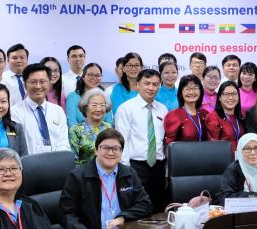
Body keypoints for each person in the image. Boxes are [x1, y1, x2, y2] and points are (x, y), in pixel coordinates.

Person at [58, 128, 153, 229]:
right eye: (105, 148)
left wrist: (122, 218)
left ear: (121, 152)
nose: (111, 152)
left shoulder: (129, 173)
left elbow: (145, 205)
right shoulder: (78, 176)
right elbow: (66, 213)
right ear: (96, 150)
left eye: (116, 148)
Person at [114, 69, 167, 211]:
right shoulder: (126, 108)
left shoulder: (162, 109)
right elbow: (121, 140)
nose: (151, 88)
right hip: (135, 166)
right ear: (138, 85)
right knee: (137, 208)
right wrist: (125, 169)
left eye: (155, 84)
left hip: (158, 166)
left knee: (157, 208)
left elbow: (163, 140)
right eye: (147, 83)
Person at [10, 63, 70, 154]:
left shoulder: (58, 111)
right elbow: (16, 145)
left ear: (49, 83)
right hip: (27, 164)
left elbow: (63, 142)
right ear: (25, 84)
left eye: (42, 82)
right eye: (33, 82)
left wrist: (58, 161)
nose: (38, 86)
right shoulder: (15, 112)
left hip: (56, 164)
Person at [214, 133, 257, 207]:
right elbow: (225, 198)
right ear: (240, 151)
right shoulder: (233, 169)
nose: (253, 153)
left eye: (256, 148)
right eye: (247, 148)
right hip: (239, 213)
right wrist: (256, 196)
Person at [68, 88, 112, 165]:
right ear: (85, 107)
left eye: (102, 105)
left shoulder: (109, 128)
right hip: (83, 174)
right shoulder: (76, 130)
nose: (99, 109)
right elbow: (73, 160)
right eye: (94, 105)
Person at [164, 75, 209, 144]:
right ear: (181, 93)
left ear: (200, 91)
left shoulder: (205, 114)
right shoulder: (173, 115)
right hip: (182, 154)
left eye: (195, 88)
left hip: (205, 154)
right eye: (187, 89)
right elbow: (170, 146)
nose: (191, 92)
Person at [65, 63, 112, 127]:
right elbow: (71, 122)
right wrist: (87, 136)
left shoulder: (105, 96)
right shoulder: (72, 97)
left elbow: (109, 122)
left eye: (98, 75)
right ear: (83, 77)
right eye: (90, 75)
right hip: (78, 135)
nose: (94, 78)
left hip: (104, 136)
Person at [204, 81, 245, 153]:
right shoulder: (213, 117)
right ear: (219, 97)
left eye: (234, 94)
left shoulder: (242, 115)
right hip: (223, 160)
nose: (230, 97)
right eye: (226, 94)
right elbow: (213, 147)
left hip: (242, 159)